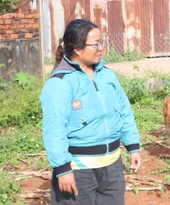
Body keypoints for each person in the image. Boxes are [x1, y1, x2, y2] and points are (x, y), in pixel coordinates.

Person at [40, 19, 141, 204]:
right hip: (79, 171)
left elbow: (124, 111)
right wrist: (63, 169)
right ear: (77, 48)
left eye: (102, 42)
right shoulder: (60, 83)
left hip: (112, 168)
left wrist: (133, 146)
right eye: (95, 44)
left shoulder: (107, 75)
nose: (101, 48)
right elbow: (54, 129)